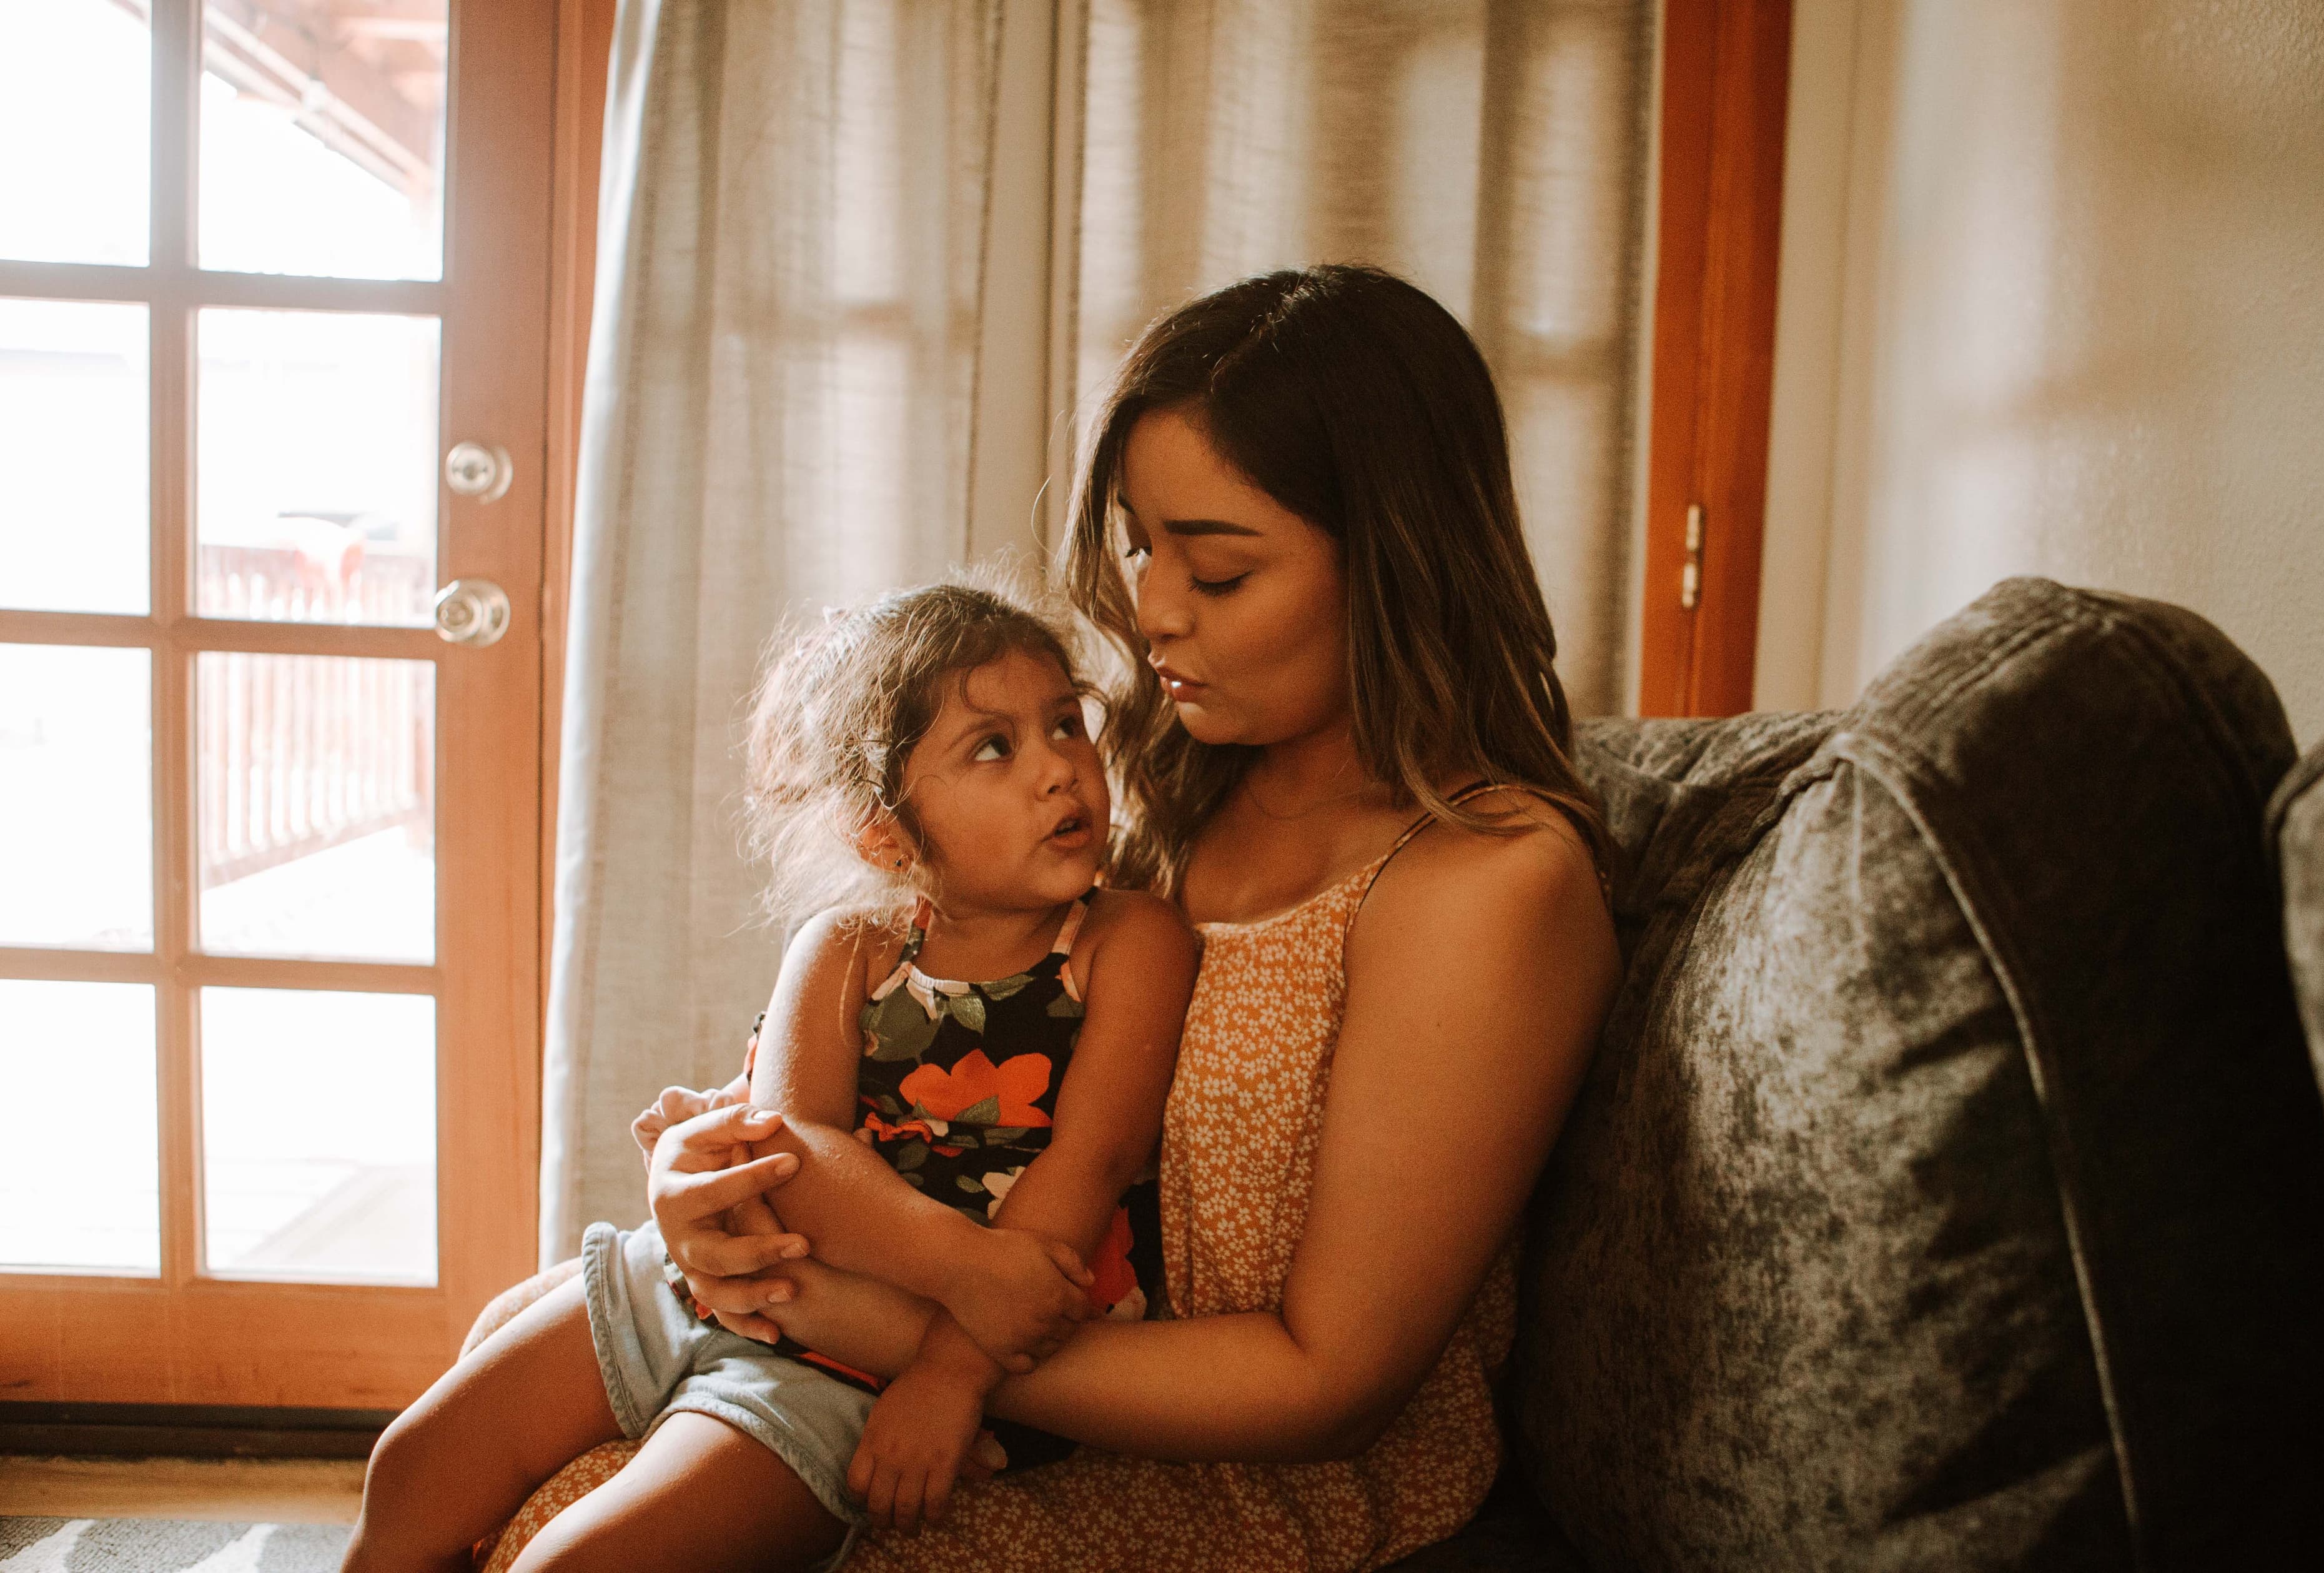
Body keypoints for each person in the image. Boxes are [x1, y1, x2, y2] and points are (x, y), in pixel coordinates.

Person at [636, 264, 1624, 1572]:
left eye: (1216, 570)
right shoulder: (1157, 798)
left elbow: (1329, 1383)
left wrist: (900, 1335)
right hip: (968, 1371)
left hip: (1247, 1484)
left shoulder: (1490, 884)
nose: (1151, 610)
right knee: (511, 1464)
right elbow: (924, 1075)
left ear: (1392, 563)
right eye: (1142, 545)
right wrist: (713, 1176)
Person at [344, 580, 1200, 1573]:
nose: (1059, 769)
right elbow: (794, 1151)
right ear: (886, 833)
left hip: (848, 1366)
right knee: (410, 1471)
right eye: (994, 747)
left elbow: (1090, 1168)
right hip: (698, 1281)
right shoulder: (848, 947)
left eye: (1066, 725)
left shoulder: (1129, 940)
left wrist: (950, 1375)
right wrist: (965, 1267)